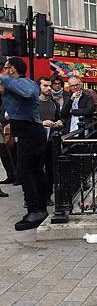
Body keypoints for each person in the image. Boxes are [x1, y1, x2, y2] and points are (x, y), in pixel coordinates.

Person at [0, 57, 48, 230]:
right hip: (26, 132)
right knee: (32, 171)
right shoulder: (14, 86)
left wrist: (4, 78)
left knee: (26, 171)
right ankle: (39, 209)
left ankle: (35, 210)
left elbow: (28, 93)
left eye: (5, 69)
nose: (4, 71)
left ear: (12, 69)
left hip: (31, 133)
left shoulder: (26, 83)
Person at [37, 76, 63, 205]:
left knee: (51, 170)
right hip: (36, 140)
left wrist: (59, 122)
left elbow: (60, 119)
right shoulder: (34, 104)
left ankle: (47, 196)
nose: (48, 88)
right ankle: (35, 196)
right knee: (36, 169)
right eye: (45, 86)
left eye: (49, 85)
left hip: (51, 141)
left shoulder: (54, 104)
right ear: (39, 87)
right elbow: (29, 121)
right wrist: (42, 123)